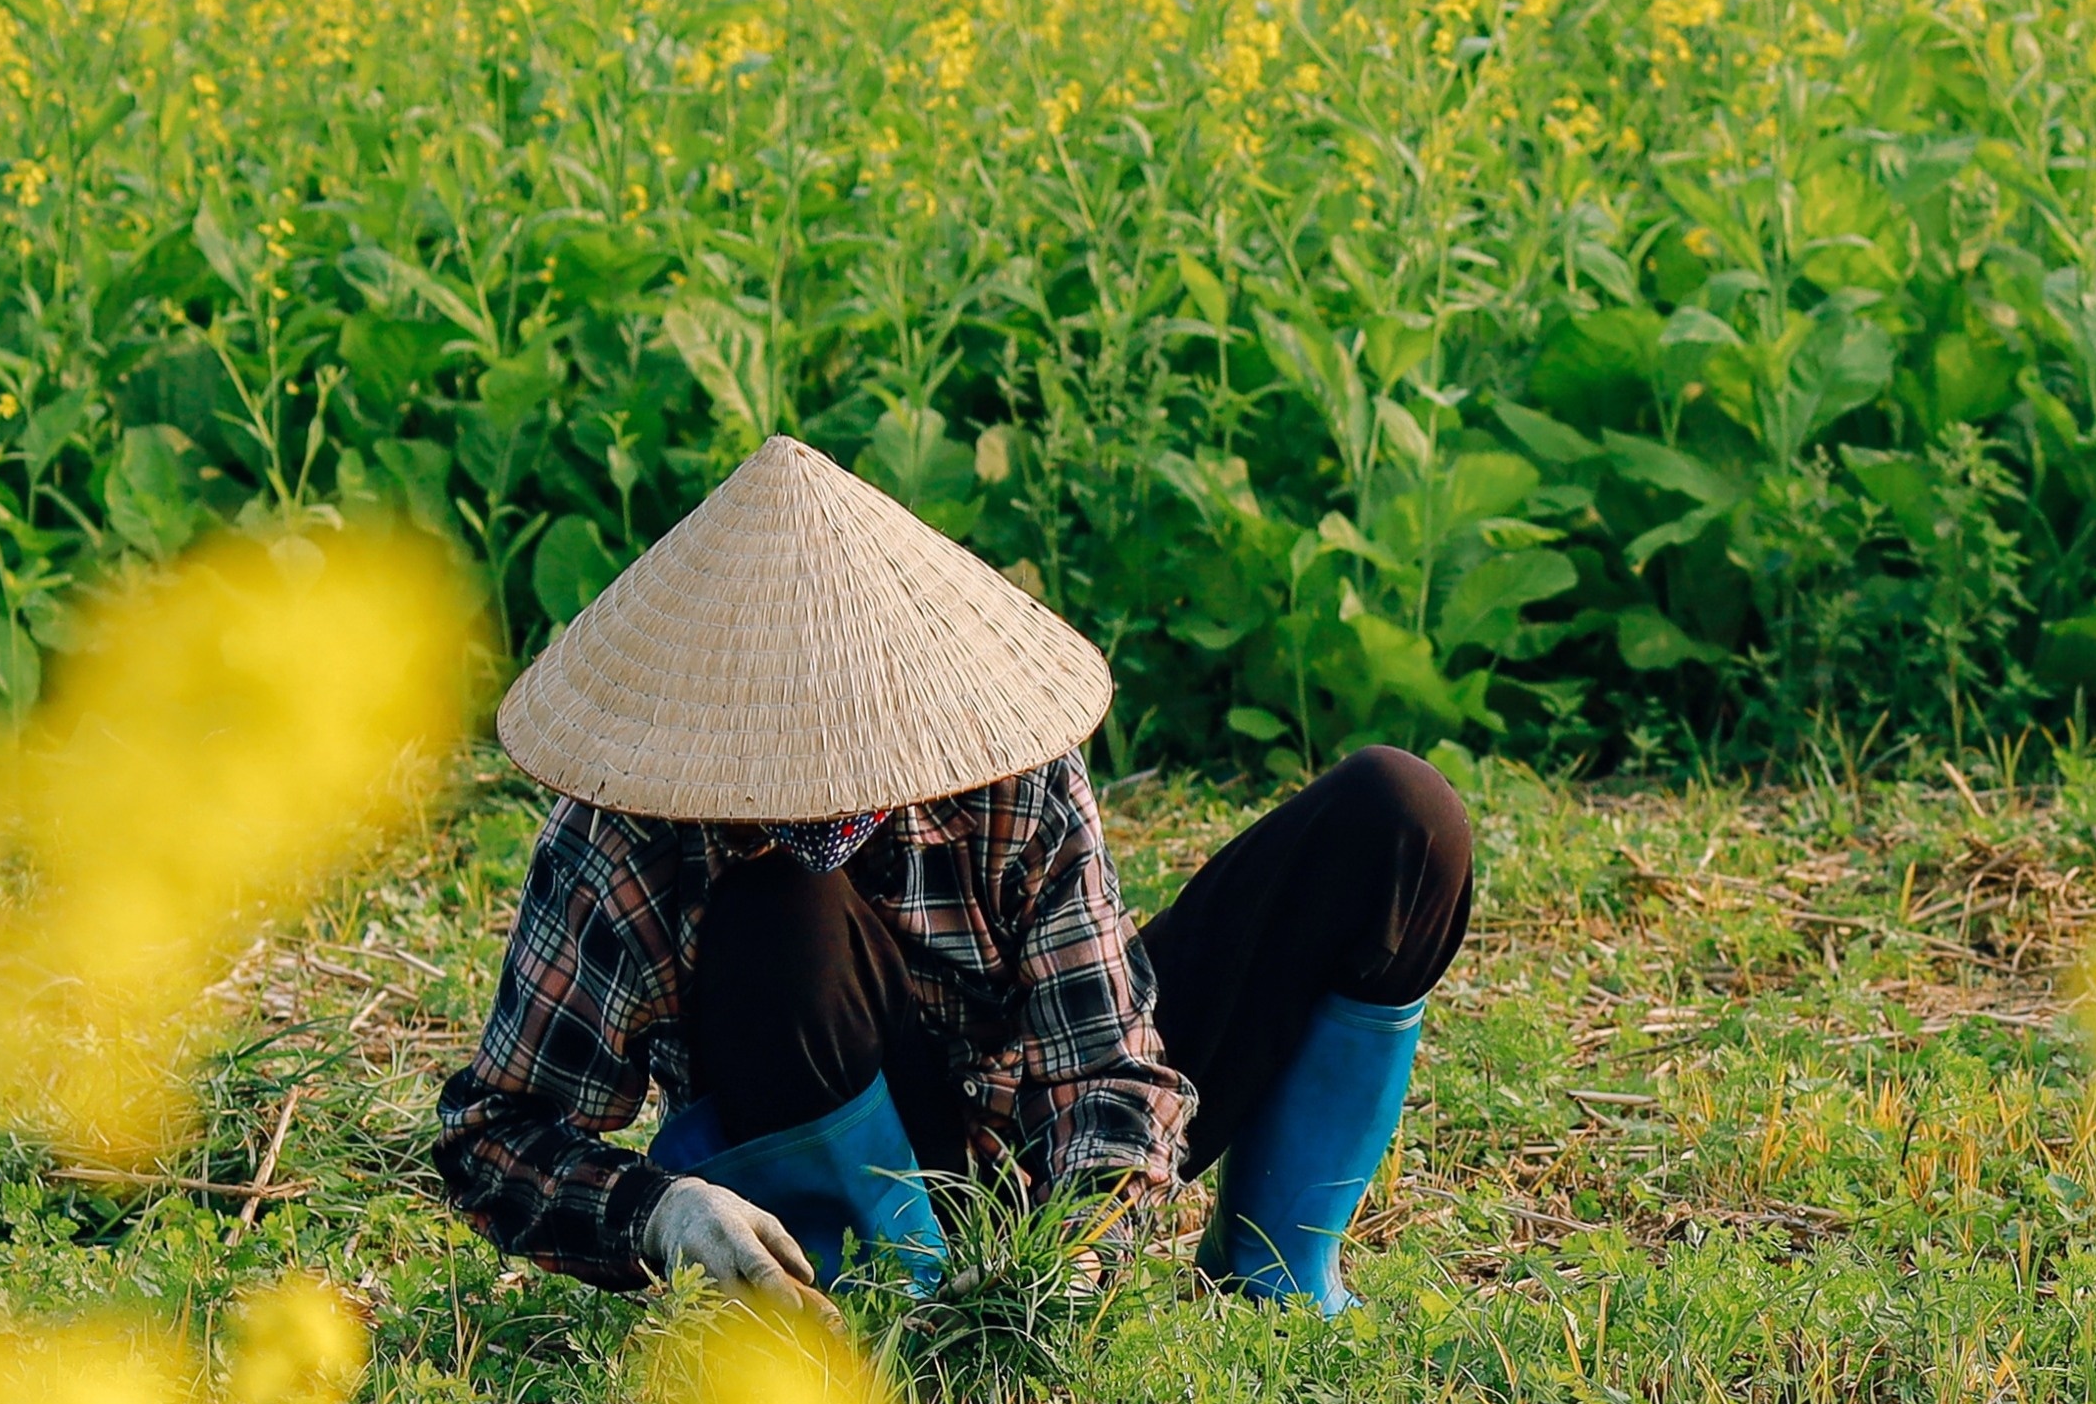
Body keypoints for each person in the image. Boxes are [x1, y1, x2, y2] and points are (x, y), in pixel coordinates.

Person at [435, 436, 1472, 1314]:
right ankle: (899, 1296)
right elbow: (494, 1136)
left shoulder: (1002, 774)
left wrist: (1070, 1253)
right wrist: (659, 1211)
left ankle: (1274, 1282)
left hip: (1029, 1154)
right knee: (776, 908)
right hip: (816, 1154)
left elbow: (1103, 1064)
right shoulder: (626, 830)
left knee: (1397, 815)